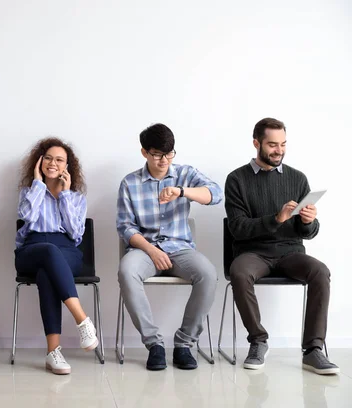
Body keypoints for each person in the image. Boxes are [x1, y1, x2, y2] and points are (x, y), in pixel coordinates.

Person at [225, 117, 339, 375]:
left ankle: (313, 350)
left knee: (320, 271)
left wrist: (309, 222)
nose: (279, 150)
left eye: (283, 144)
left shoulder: (298, 179)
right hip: (253, 252)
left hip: (290, 252)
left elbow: (308, 233)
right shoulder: (236, 180)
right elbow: (237, 228)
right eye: (272, 145)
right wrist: (276, 219)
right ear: (257, 143)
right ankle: (258, 341)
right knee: (239, 272)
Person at [117, 123, 222, 371]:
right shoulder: (129, 183)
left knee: (208, 274)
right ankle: (154, 344)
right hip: (145, 249)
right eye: (157, 154)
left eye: (169, 153)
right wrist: (152, 251)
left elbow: (216, 194)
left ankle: (184, 344)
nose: (164, 160)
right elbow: (125, 227)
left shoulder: (185, 173)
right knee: (126, 271)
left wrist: (182, 191)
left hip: (181, 249)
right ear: (144, 152)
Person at [15, 137, 98, 375]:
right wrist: (39, 185)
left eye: (59, 160)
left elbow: (75, 233)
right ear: (39, 161)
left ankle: (53, 353)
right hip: (31, 250)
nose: (53, 163)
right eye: (48, 158)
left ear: (67, 166)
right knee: (47, 254)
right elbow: (27, 217)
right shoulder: (29, 191)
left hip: (68, 252)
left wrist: (64, 195)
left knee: (47, 273)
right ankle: (82, 320)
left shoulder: (76, 198)